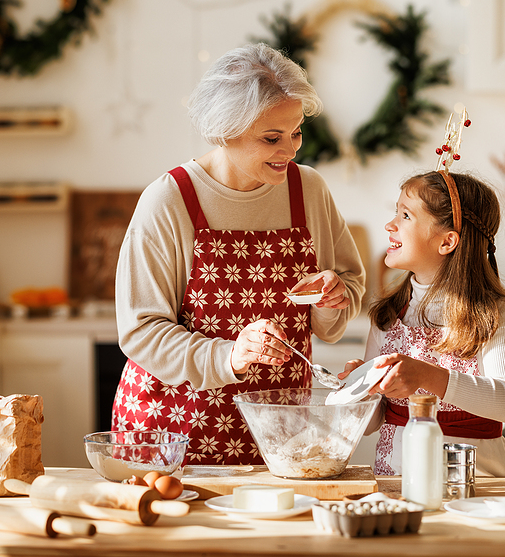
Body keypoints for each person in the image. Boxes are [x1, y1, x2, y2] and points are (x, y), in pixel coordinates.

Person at [111, 43, 366, 465]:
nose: (291, 150)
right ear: (226, 130)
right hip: (175, 429)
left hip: (278, 429)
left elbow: (342, 299)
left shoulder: (308, 190)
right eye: (272, 138)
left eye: (296, 132)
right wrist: (228, 355)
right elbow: (140, 331)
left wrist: (331, 299)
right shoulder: (170, 200)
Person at [342, 169, 505, 477]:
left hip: (479, 485)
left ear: (447, 242)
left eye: (405, 216)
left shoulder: (491, 313)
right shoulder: (388, 315)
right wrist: (361, 389)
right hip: (398, 480)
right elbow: (372, 424)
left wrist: (426, 376)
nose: (390, 225)